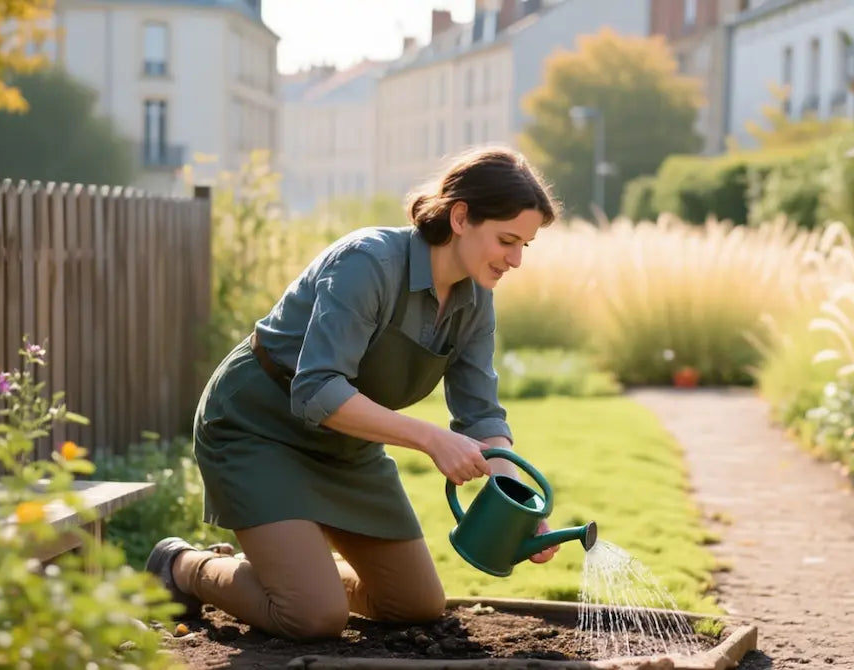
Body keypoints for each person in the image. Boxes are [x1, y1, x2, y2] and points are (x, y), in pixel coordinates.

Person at [144, 146, 562, 640]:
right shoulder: (368, 263)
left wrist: (513, 506)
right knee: (312, 617)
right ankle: (182, 566)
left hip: (346, 444)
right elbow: (318, 389)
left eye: (524, 246)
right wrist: (430, 440)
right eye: (507, 240)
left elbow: (482, 416)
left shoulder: (475, 301)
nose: (515, 260)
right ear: (461, 217)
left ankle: (295, 574)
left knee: (415, 604)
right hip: (258, 428)